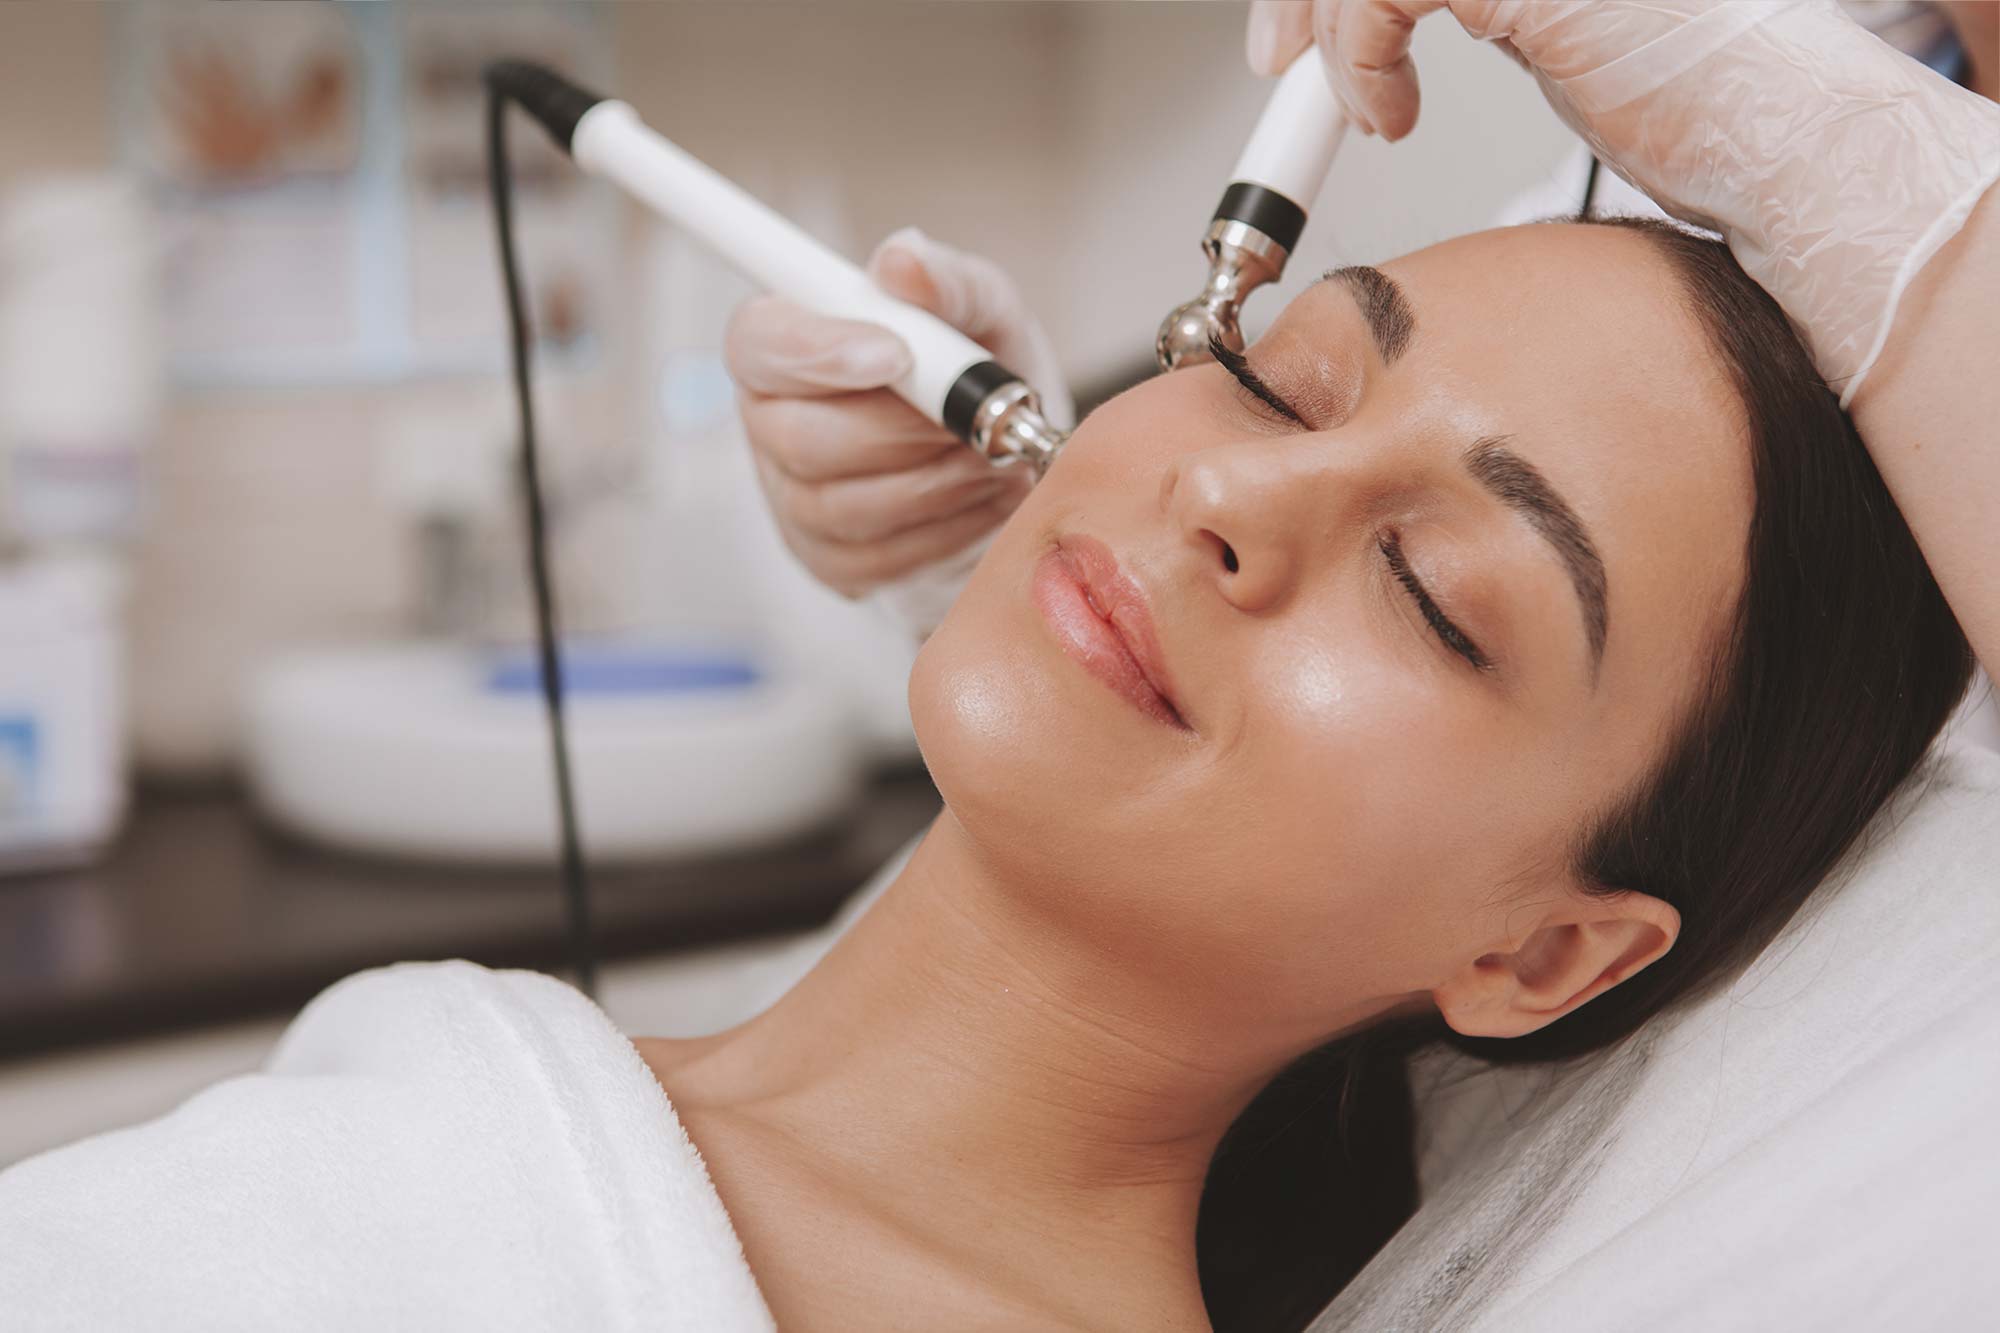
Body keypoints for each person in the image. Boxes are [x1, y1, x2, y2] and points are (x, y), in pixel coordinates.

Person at [0, 213, 1975, 1330]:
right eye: (1284, 370)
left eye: (1429, 590)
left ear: (1543, 957)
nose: (1227, 488)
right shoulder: (467, 1104)